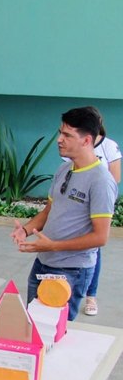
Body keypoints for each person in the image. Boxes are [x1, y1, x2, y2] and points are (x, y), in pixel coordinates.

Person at [11, 107, 116, 321]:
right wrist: (25, 230)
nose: (59, 139)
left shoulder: (101, 181)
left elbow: (100, 237)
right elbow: (50, 211)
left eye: (67, 135)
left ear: (87, 141)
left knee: (53, 331)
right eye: (60, 132)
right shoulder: (64, 170)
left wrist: (52, 246)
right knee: (35, 325)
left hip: (72, 270)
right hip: (44, 261)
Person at [71, 107, 120, 316]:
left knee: (94, 249)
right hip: (76, 206)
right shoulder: (75, 146)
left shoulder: (109, 147)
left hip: (97, 206)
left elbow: (114, 178)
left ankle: (91, 296)